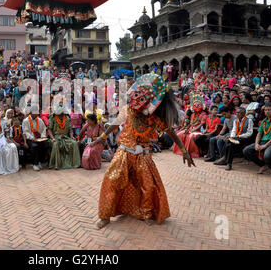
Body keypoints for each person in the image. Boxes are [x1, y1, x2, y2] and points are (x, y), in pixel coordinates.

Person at [91, 74, 195, 229]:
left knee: (148, 185)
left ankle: (147, 213)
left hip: (143, 155)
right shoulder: (128, 110)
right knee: (111, 181)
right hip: (123, 152)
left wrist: (184, 150)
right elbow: (115, 123)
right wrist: (102, 137)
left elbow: (172, 133)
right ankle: (105, 216)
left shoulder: (157, 118)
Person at [243, 103, 271, 176]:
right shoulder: (264, 121)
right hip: (263, 141)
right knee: (246, 150)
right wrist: (256, 144)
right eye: (265, 110)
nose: (267, 112)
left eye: (269, 110)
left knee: (267, 156)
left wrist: (265, 146)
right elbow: (259, 134)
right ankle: (263, 165)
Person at [47, 103, 81, 170]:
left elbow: (70, 129)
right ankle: (56, 164)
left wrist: (72, 136)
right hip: (56, 137)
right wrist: (52, 138)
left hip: (66, 137)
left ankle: (75, 163)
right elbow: (49, 130)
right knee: (56, 144)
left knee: (74, 143)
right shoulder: (52, 117)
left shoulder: (67, 118)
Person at [22, 106, 48, 171]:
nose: (37, 114)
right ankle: (35, 164)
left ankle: (40, 161)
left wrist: (43, 136)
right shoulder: (26, 121)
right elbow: (26, 132)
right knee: (34, 146)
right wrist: (32, 138)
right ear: (31, 113)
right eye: (35, 112)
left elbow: (43, 129)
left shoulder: (39, 120)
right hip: (30, 139)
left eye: (37, 112)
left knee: (45, 145)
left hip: (39, 138)